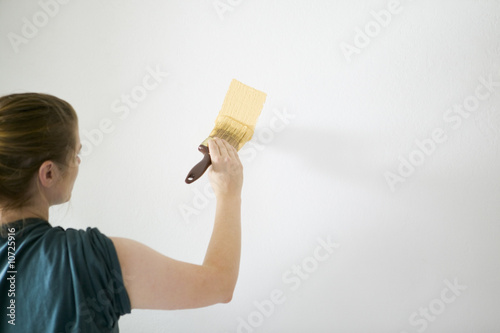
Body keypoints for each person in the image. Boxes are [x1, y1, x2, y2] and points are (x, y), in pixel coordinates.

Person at [0, 93, 243, 332]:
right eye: (76, 154)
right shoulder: (87, 260)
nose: (79, 163)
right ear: (49, 173)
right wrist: (228, 194)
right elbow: (219, 284)